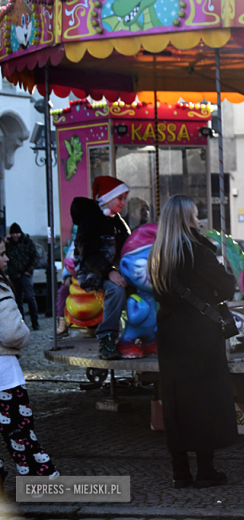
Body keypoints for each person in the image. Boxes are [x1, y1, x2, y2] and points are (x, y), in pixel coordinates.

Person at [149, 195, 238, 489]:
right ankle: (206, 470)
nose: (199, 220)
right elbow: (227, 286)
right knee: (204, 401)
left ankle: (180, 472)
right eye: (196, 215)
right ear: (188, 219)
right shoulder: (198, 252)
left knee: (176, 402)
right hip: (200, 334)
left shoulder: (158, 255)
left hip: (170, 334)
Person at [0, 239, 58, 481]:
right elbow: (12, 332)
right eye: (2, 254)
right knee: (19, 432)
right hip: (4, 374)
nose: (7, 259)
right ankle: (39, 479)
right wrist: (25, 335)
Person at [70, 176, 131, 360]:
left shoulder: (118, 221)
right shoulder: (90, 220)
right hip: (92, 271)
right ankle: (107, 338)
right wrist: (109, 271)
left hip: (112, 269)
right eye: (119, 198)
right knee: (116, 290)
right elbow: (88, 252)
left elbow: (128, 246)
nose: (123, 202)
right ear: (107, 197)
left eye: (124, 198)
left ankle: (141, 333)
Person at [4, 223, 40, 331]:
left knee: (30, 297)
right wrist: (6, 241)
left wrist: (29, 270)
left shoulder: (27, 242)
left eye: (17, 233)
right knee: (17, 300)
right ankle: (21, 322)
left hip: (25, 274)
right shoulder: (8, 244)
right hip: (14, 275)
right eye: (13, 233)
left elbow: (35, 256)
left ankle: (35, 322)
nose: (15, 235)